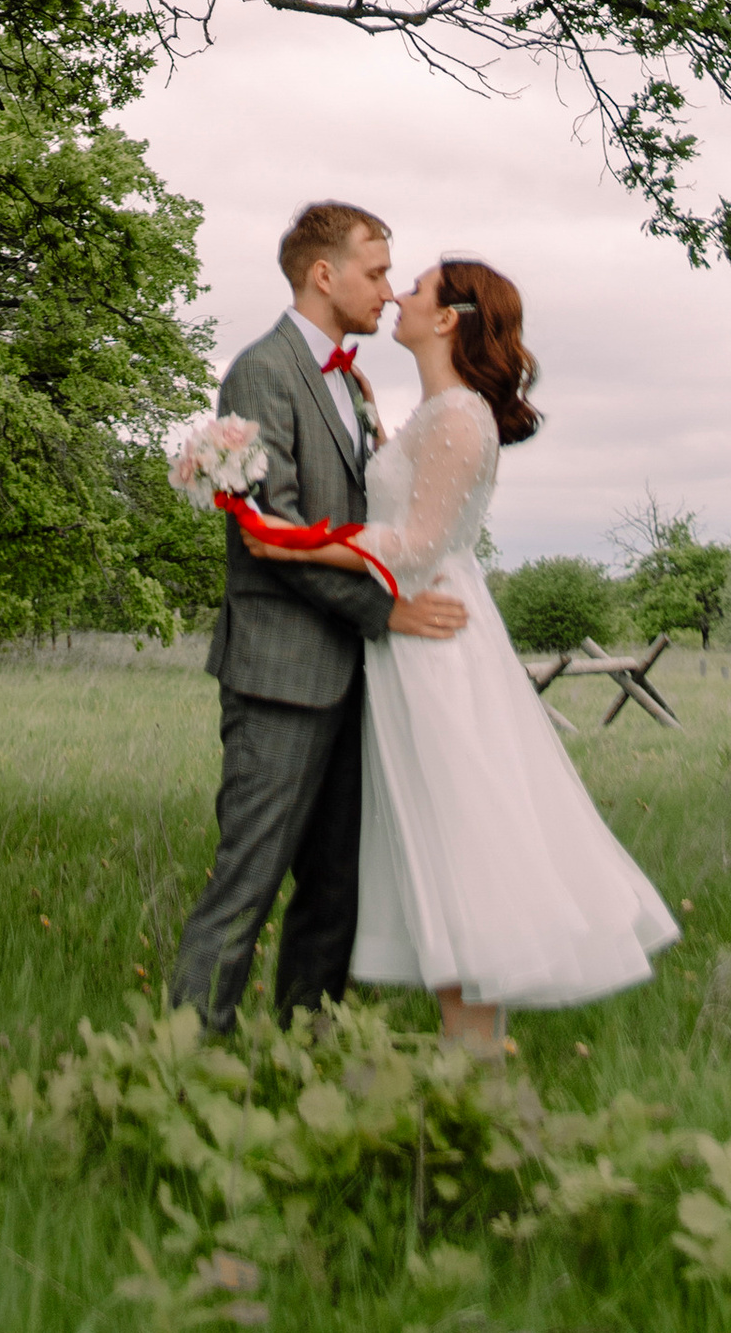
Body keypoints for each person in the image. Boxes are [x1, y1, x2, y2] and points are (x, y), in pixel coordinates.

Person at [283, 257, 679, 1054]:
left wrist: (296, 541)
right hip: (409, 646)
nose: (396, 294)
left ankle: (473, 1063)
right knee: (434, 840)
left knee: (460, 835)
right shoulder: (435, 413)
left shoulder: (461, 417)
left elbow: (420, 543)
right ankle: (465, 1059)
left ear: (449, 318)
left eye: (416, 287)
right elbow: (407, 502)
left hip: (437, 650)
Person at [169, 202, 473, 1032]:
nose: (386, 290)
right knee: (250, 879)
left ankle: (307, 1047)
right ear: (323, 274)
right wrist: (387, 612)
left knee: (337, 884)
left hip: (355, 679)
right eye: (375, 274)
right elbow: (281, 532)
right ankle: (184, 1058)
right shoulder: (263, 372)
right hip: (282, 675)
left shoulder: (348, 378)